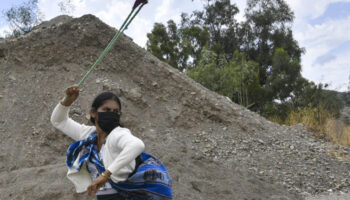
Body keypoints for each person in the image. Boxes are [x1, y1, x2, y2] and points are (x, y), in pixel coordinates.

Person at [51, 85, 145, 199]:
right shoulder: (90, 135)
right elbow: (59, 121)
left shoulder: (118, 134)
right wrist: (67, 101)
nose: (111, 114)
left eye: (116, 111)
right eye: (106, 110)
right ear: (93, 113)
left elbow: (137, 145)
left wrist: (106, 174)